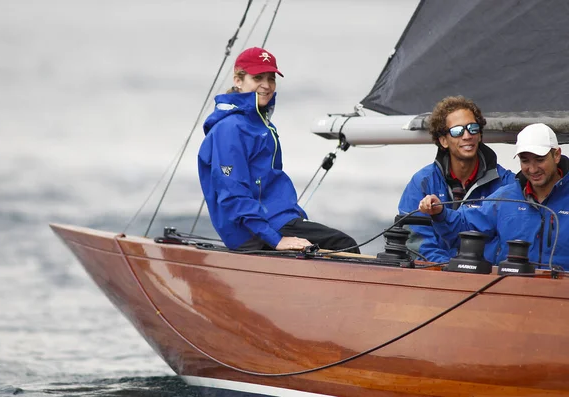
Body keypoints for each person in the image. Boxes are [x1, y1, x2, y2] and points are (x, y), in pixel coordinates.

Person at [198, 47, 359, 253]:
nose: (266, 85)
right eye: (258, 78)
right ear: (238, 80)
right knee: (344, 245)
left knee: (335, 244)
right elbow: (232, 194)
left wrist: (295, 217)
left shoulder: (260, 123)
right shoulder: (230, 128)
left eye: (271, 78)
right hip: (254, 231)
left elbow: (269, 182)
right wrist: (276, 240)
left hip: (273, 219)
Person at [418, 123, 569, 270]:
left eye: (540, 159)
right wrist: (440, 213)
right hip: (509, 291)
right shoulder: (506, 197)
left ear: (556, 155)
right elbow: (464, 225)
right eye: (525, 160)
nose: (533, 168)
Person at [398, 96, 515, 263]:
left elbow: (509, 240)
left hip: (488, 279)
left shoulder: (506, 183)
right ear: (443, 140)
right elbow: (416, 241)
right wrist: (447, 269)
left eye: (472, 128)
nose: (467, 135)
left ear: (480, 135)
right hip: (436, 277)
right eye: (457, 131)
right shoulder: (422, 183)